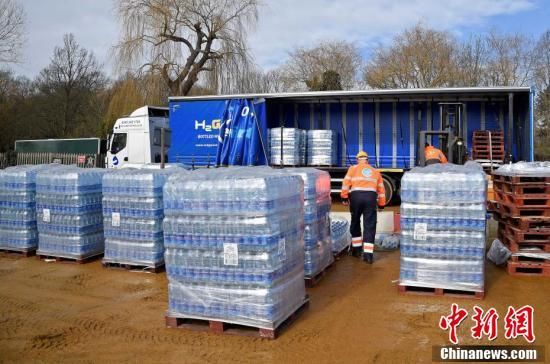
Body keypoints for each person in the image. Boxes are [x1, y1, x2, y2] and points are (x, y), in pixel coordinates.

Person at [341, 151, 386, 264]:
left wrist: (344, 197)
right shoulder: (375, 171)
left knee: (355, 222)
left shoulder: (353, 168)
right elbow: (381, 189)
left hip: (356, 197)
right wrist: (381, 204)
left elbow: (346, 183)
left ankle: (356, 251)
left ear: (357, 160)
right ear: (367, 160)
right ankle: (368, 256)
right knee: (370, 225)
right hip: (370, 198)